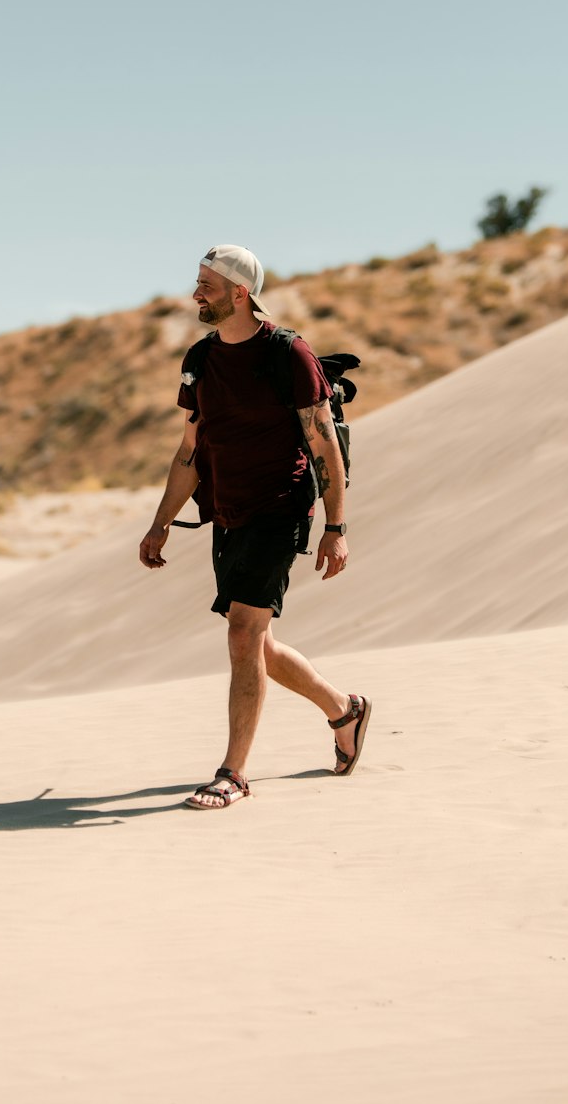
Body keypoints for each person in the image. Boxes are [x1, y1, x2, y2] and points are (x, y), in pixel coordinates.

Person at [138, 245, 371, 810]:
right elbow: (190, 450)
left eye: (207, 285)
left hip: (280, 507)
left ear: (240, 293)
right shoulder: (201, 359)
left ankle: (232, 773)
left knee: (242, 633)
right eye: (197, 282)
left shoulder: (287, 353)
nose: (196, 293)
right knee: (258, 644)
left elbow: (324, 445)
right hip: (229, 512)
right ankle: (345, 709)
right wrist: (159, 524)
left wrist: (335, 527)